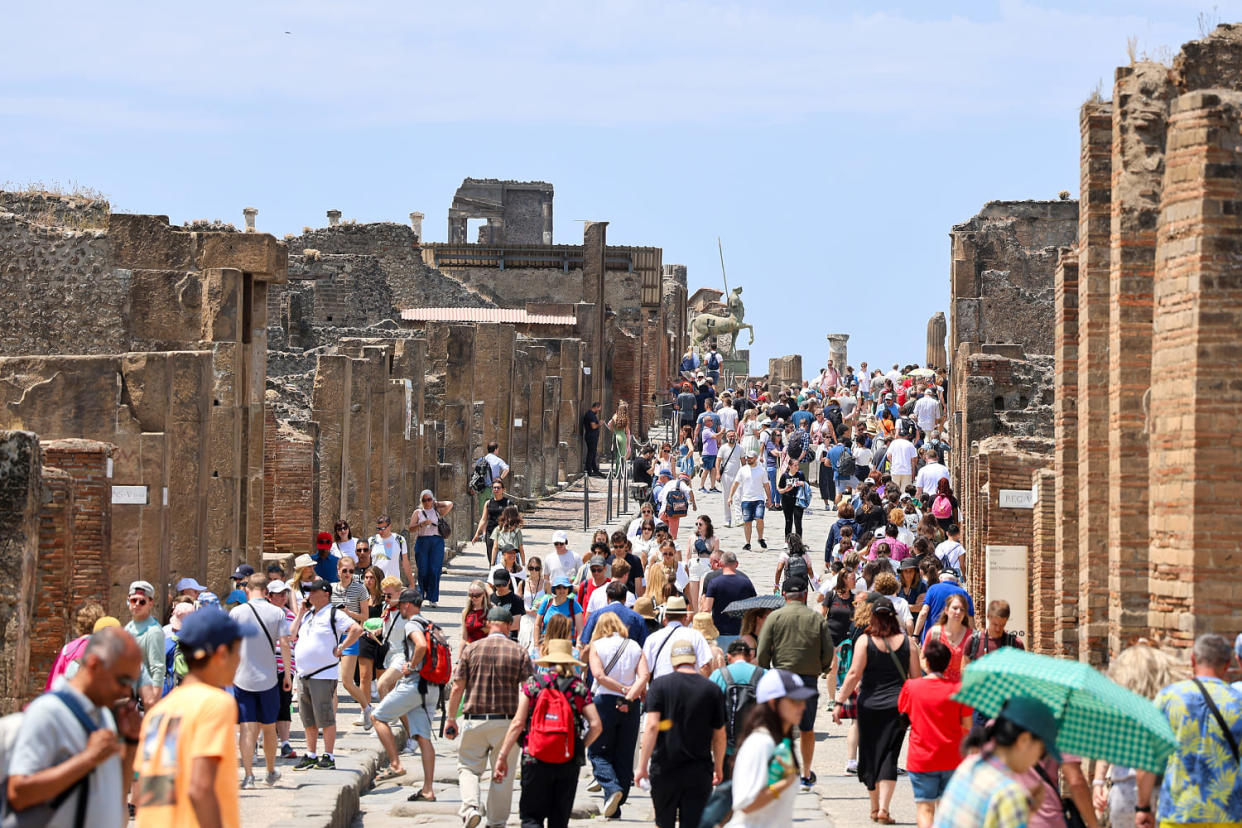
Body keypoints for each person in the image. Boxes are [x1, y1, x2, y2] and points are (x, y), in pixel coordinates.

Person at [134, 610, 259, 827]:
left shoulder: (160, 711)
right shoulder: (215, 703)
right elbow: (200, 787)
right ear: (221, 654)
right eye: (237, 652)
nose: (239, 660)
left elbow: (149, 784)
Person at [8, 626, 141, 828]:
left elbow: (114, 793)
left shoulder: (103, 714)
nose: (126, 691)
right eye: (122, 680)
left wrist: (131, 742)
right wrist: (87, 759)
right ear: (94, 664)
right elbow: (18, 792)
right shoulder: (48, 712)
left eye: (131, 683)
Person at [1136, 633, 1242, 828]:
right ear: (1228, 664)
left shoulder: (1169, 698)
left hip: (1179, 813)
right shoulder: (1238, 701)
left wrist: (1143, 807)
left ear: (1193, 659)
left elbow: (1147, 759)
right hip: (1230, 815)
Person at [493, 639, 602, 828]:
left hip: (534, 756)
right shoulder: (578, 687)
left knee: (531, 818)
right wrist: (579, 746)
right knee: (559, 820)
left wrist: (502, 755)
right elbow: (596, 725)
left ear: (548, 660)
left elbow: (518, 723)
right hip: (567, 760)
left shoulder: (534, 685)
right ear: (570, 661)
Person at [443, 606, 533, 828]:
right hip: (508, 721)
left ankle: (471, 806)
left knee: (468, 766)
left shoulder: (471, 650)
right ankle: (496, 822)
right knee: (503, 772)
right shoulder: (519, 651)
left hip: (476, 718)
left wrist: (451, 718)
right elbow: (529, 689)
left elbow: (457, 688)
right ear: (508, 626)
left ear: (488, 625)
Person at [832, 595, 919, 823]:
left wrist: (839, 702)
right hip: (898, 708)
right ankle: (884, 808)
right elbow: (916, 680)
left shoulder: (864, 641)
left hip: (869, 706)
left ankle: (874, 806)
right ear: (894, 617)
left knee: (869, 757)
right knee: (890, 757)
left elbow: (853, 675)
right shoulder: (908, 643)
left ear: (873, 617)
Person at [933, 696, 1063, 828]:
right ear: (1024, 741)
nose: (1038, 759)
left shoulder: (970, 765)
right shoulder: (1010, 795)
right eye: (1042, 751)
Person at [635, 641, 727, 828]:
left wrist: (642, 767)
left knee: (663, 823)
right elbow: (719, 735)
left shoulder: (659, 686)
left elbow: (652, 726)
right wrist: (718, 767)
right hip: (699, 770)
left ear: (672, 660)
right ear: (694, 660)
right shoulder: (711, 689)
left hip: (665, 768)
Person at [1094, 643, 1186, 828]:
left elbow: (1106, 747)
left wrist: (1098, 782)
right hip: (1164, 791)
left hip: (1123, 790)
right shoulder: (1168, 707)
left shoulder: (1118, 708)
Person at [756, 575, 834, 790]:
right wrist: (822, 669)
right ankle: (806, 774)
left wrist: (766, 671)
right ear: (805, 595)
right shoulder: (816, 618)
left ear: (783, 595)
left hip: (781, 678)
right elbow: (828, 652)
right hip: (808, 679)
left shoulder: (775, 617)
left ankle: (781, 772)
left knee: (781, 727)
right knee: (807, 728)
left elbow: (762, 651)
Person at [370, 588, 439, 803]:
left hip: (415, 684)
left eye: (401, 604)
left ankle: (396, 764)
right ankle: (428, 789)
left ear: (407, 605)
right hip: (432, 686)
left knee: (377, 717)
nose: (399, 608)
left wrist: (412, 664)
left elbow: (420, 645)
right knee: (423, 737)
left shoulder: (412, 624)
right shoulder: (431, 625)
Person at [725, 670, 816, 827]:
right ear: (773, 703)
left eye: (803, 700)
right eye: (794, 700)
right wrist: (783, 784)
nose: (802, 706)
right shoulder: (761, 743)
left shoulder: (780, 742)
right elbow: (745, 804)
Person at [290, 579, 365, 770]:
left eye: (313, 592)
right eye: (308, 592)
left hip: (323, 674)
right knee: (308, 718)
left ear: (325, 594)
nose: (309, 596)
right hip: (304, 674)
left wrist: (341, 647)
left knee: (325, 716)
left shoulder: (334, 614)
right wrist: (300, 613)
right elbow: (292, 635)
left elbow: (356, 629)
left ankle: (329, 755)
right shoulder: (308, 616)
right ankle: (311, 753)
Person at [898, 639, 972, 828]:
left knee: (924, 809)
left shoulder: (911, 687)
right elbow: (967, 726)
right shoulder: (959, 690)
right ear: (948, 663)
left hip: (921, 758)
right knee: (948, 811)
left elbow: (903, 716)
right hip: (952, 757)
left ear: (927, 662)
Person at [230, 573, 293, 788]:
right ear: (267, 592)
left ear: (247, 589)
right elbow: (285, 643)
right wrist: (286, 674)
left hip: (242, 677)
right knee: (268, 727)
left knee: (247, 728)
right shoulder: (277, 613)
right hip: (268, 678)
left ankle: (248, 776)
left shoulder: (236, 612)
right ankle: (270, 770)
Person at [586, 612, 650, 818]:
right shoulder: (634, 646)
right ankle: (616, 804)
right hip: (629, 705)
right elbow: (644, 675)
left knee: (597, 752)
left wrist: (622, 690)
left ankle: (612, 789)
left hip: (604, 700)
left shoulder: (597, 645)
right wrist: (630, 695)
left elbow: (598, 675)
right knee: (624, 753)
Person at [265, 579, 298, 758]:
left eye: (284, 593)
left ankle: (285, 742)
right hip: (266, 664)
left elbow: (293, 640)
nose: (282, 597)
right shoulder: (264, 615)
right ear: (269, 596)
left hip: (286, 666)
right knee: (268, 704)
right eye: (278, 594)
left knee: (284, 703)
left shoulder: (291, 616)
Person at [642, 595, 713, 679]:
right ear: (685, 617)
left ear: (665, 618)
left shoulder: (652, 639)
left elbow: (645, 671)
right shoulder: (695, 636)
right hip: (689, 687)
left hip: (661, 688)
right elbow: (705, 666)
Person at [701, 551, 756, 651]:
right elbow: (754, 607)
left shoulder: (714, 583)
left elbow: (707, 608)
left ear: (721, 564)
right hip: (740, 631)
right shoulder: (746, 582)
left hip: (719, 631)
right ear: (736, 564)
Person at [124, 580, 165, 708]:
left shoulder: (153, 631)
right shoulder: (128, 628)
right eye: (133, 600)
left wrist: (153, 701)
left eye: (142, 601)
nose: (137, 605)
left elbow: (158, 669)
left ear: (150, 603)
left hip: (142, 699)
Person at [580, 580, 648, 646]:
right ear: (625, 598)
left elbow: (585, 641)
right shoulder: (637, 618)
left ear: (608, 597)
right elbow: (644, 645)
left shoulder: (595, 615)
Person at [728, 450, 771, 551]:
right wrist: (730, 496)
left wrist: (769, 499)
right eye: (747, 457)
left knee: (759, 519)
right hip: (746, 499)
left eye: (750, 458)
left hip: (758, 498)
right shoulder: (742, 470)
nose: (748, 459)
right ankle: (748, 542)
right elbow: (735, 483)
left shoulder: (761, 470)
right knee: (747, 522)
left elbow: (766, 485)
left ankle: (760, 538)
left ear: (755, 458)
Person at [924, 593, 972, 682]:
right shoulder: (934, 633)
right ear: (946, 610)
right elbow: (923, 658)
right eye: (955, 608)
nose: (958, 612)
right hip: (939, 687)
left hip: (961, 690)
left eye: (962, 610)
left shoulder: (971, 637)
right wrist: (933, 674)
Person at [915, 571, 974, 643]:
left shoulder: (932, 589)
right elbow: (970, 621)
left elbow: (923, 613)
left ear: (940, 579)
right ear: (956, 580)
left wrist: (915, 635)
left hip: (932, 639)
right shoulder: (964, 593)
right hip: (955, 641)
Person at [472, 480, 513, 566]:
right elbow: (483, 519)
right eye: (494, 488)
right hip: (490, 532)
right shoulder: (488, 503)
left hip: (503, 532)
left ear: (503, 490)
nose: (496, 489)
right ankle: (493, 572)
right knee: (491, 556)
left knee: (504, 555)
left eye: (498, 488)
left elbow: (513, 519)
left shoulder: (508, 503)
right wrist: (477, 533)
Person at [370, 514, 414, 587]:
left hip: (393, 584)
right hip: (376, 583)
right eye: (378, 528)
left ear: (390, 526)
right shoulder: (372, 540)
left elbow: (405, 562)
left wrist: (412, 583)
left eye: (383, 528)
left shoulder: (399, 540)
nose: (380, 531)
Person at [657, 471, 697, 539]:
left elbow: (659, 498)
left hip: (663, 512)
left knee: (661, 536)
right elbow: (690, 491)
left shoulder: (669, 483)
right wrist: (694, 505)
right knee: (672, 537)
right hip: (673, 514)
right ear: (686, 482)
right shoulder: (682, 483)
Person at [776, 456, 807, 541]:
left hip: (798, 501)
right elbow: (779, 489)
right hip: (787, 500)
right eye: (795, 465)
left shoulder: (800, 474)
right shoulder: (784, 476)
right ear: (790, 466)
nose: (797, 467)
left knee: (798, 522)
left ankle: (799, 541)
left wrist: (801, 483)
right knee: (788, 521)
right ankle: (787, 541)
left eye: (797, 465)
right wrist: (786, 489)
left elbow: (806, 486)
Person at [489, 571, 524, 640]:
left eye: (504, 584)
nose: (501, 587)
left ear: (509, 582)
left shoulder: (516, 600)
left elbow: (516, 624)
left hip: (510, 638)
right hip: (491, 638)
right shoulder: (489, 599)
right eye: (498, 585)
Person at [478, 441, 511, 506]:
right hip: (494, 489)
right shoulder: (498, 460)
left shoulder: (481, 460)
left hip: (482, 489)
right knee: (493, 510)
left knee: (483, 513)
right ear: (495, 449)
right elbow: (507, 469)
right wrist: (500, 478)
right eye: (498, 449)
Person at [583, 400, 604, 477]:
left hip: (592, 436)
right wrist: (599, 424)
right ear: (596, 407)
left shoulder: (591, 414)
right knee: (591, 453)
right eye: (599, 409)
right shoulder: (590, 415)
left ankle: (594, 469)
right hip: (591, 436)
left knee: (593, 452)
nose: (599, 411)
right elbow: (593, 426)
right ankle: (589, 470)